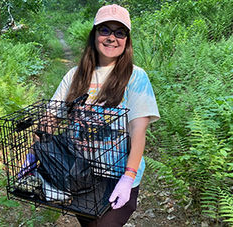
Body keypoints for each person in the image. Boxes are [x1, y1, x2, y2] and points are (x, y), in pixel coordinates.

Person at [51, 4, 160, 227]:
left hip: (117, 177)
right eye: (105, 30)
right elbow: (50, 118)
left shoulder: (136, 77)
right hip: (80, 175)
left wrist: (128, 178)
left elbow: (138, 132)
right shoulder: (75, 75)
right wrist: (36, 156)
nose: (112, 38)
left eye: (120, 32)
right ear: (94, 35)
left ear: (127, 40)